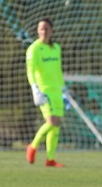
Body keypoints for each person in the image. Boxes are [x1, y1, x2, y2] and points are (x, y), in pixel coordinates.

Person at [25, 17, 70, 167]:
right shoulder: (34, 49)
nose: (43, 31)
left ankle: (50, 159)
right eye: (41, 28)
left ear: (51, 30)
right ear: (38, 31)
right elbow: (30, 71)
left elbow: (58, 71)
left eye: (46, 28)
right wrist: (35, 89)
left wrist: (63, 90)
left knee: (56, 125)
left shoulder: (56, 48)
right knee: (52, 122)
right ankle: (32, 146)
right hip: (44, 91)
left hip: (57, 91)